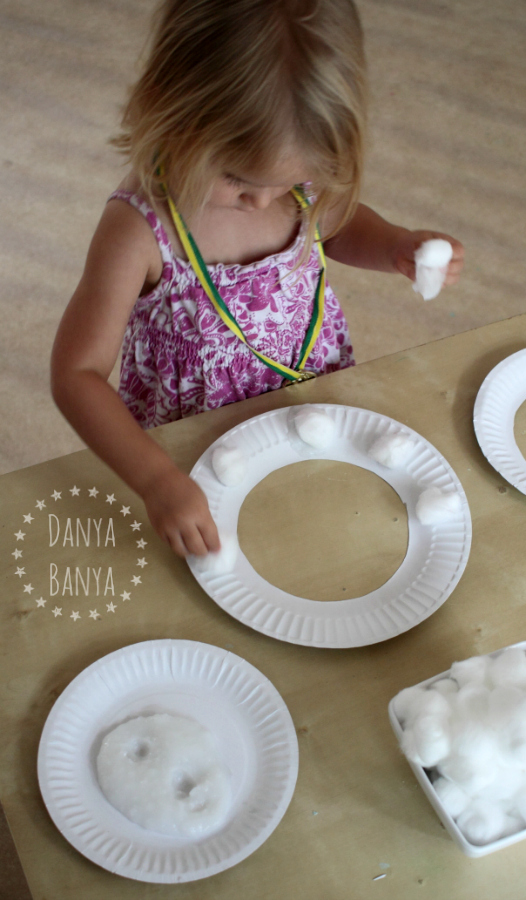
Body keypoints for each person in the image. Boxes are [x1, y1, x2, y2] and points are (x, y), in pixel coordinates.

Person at [51, 0, 464, 561]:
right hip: (194, 452)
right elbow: (77, 374)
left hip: (308, 409)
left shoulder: (296, 182)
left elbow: (337, 224)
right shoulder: (141, 230)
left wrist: (394, 244)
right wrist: (155, 480)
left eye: (292, 181)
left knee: (316, 542)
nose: (265, 200)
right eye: (238, 180)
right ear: (172, 112)